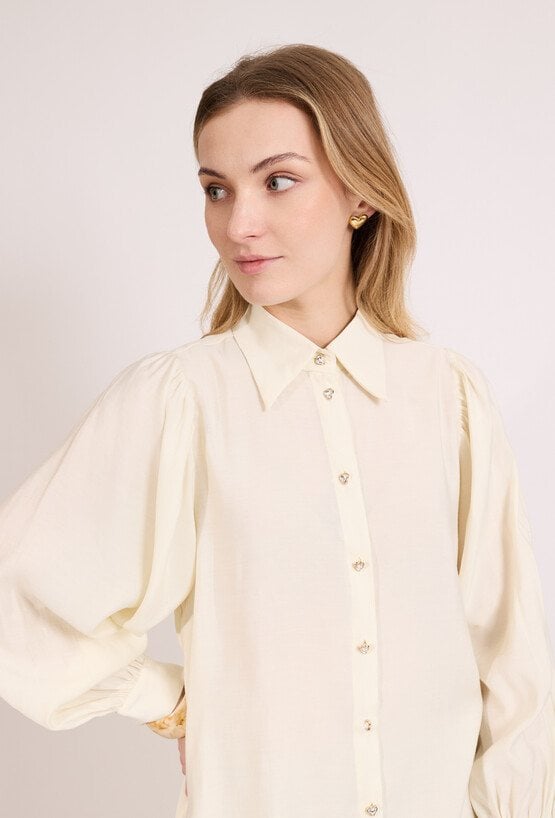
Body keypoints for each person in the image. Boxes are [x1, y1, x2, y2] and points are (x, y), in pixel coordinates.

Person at [0, 42, 553, 818]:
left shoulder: (445, 396)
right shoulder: (182, 401)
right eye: (216, 190)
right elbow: (20, 598)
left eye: (278, 180)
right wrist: (164, 697)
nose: (239, 224)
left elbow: (510, 656)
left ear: (359, 191)